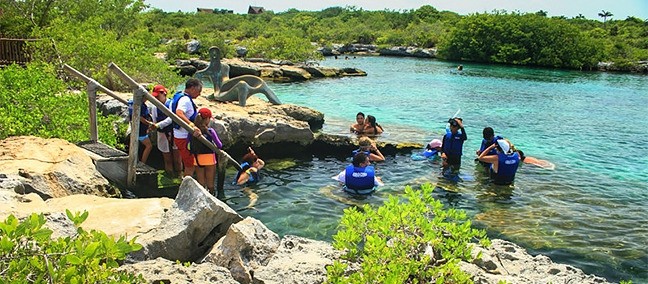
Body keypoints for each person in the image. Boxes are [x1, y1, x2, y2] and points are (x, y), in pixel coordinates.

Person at [171, 78, 203, 178]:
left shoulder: (178, 95)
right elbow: (179, 112)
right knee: (190, 165)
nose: (199, 94)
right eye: (199, 91)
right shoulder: (185, 100)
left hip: (178, 134)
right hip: (184, 137)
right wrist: (191, 125)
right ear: (192, 88)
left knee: (189, 162)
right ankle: (184, 188)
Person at [189, 108, 223, 195]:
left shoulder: (192, 131)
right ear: (207, 119)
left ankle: (201, 197)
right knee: (210, 184)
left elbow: (188, 145)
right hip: (209, 159)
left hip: (197, 159)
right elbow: (219, 145)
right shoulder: (210, 131)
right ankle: (212, 197)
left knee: (201, 183)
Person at [149, 84, 179, 175]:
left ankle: (179, 175)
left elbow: (171, 118)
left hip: (173, 132)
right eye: (155, 96)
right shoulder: (154, 107)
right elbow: (154, 119)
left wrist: (158, 125)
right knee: (167, 159)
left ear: (164, 94)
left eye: (158, 96)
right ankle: (169, 174)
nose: (157, 98)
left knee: (177, 159)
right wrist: (154, 126)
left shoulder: (171, 104)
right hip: (162, 134)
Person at [128, 96, 154, 164]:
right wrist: (149, 124)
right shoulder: (141, 105)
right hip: (141, 129)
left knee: (137, 145)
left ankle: (135, 161)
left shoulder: (131, 103)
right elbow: (140, 117)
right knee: (149, 146)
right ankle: (142, 163)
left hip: (134, 127)